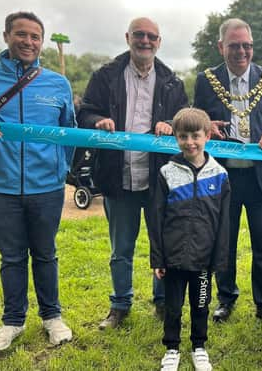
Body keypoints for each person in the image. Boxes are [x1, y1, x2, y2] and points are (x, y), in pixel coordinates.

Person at [0, 11, 75, 350]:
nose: (28, 42)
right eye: (21, 35)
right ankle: (12, 322)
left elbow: (68, 131)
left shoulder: (58, 83)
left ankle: (52, 317)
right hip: (0, 186)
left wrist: (59, 170)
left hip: (47, 188)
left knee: (45, 254)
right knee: (11, 258)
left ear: (42, 42)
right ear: (6, 36)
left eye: (35, 37)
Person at [77, 17, 188, 329]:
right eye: (139, 35)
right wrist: (97, 120)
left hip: (159, 180)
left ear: (159, 42)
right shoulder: (106, 75)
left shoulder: (172, 81)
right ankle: (120, 304)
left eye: (151, 36)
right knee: (121, 249)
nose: (145, 41)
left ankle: (163, 302)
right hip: (117, 177)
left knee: (163, 246)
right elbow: (84, 112)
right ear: (128, 37)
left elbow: (186, 121)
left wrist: (173, 125)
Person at [193, 18, 262, 327]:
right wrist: (205, 125)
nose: (241, 52)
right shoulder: (206, 80)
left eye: (247, 45)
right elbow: (196, 121)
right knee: (224, 242)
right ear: (221, 46)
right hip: (223, 177)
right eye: (234, 45)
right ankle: (225, 298)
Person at [149, 108, 230, 371]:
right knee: (172, 307)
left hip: (203, 262)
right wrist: (158, 258)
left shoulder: (219, 175)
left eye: (195, 135)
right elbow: (157, 219)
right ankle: (171, 348)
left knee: (201, 305)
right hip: (173, 258)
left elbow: (224, 223)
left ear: (207, 135)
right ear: (176, 138)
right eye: (183, 136)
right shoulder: (166, 173)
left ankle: (199, 347)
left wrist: (218, 259)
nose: (190, 142)